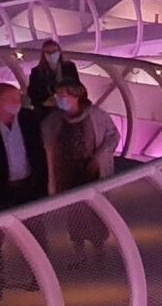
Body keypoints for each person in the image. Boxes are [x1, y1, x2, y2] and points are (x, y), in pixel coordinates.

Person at [0, 83, 49, 304]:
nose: (16, 104)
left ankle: (40, 279)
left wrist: (41, 187)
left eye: (18, 99)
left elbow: (38, 154)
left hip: (28, 188)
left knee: (36, 235)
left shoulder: (29, 119)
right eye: (11, 100)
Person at [42, 76, 121, 265]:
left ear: (76, 96)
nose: (59, 99)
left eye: (63, 95)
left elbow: (112, 136)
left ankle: (99, 248)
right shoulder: (54, 120)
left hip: (91, 172)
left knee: (95, 210)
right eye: (57, 95)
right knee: (74, 212)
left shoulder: (96, 115)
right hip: (67, 172)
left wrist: (98, 157)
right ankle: (80, 253)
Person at [25, 39, 75, 111]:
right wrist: (44, 103)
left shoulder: (70, 67)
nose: (52, 55)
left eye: (54, 52)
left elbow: (77, 86)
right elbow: (32, 94)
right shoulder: (36, 72)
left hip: (69, 106)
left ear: (59, 52)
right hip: (48, 110)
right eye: (48, 52)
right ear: (44, 54)